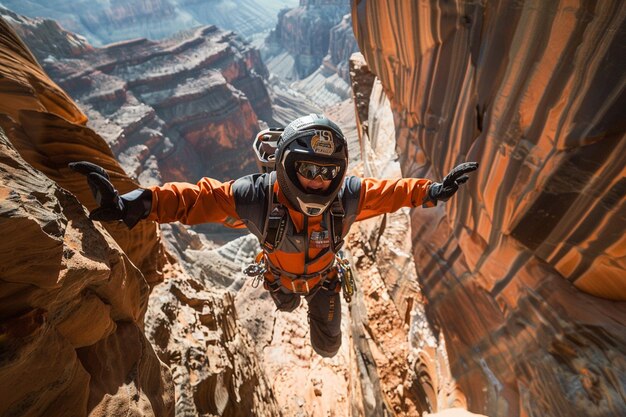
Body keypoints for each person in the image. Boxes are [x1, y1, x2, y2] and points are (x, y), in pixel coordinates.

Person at [70, 113, 478, 357]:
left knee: (329, 344)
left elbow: (391, 192)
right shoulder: (257, 197)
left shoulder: (346, 198)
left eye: (328, 173)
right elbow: (195, 200)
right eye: (309, 170)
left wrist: (433, 190)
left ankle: (310, 324)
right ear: (286, 166)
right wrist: (134, 205)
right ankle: (287, 301)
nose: (319, 182)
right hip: (281, 279)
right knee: (284, 306)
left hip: (322, 282)